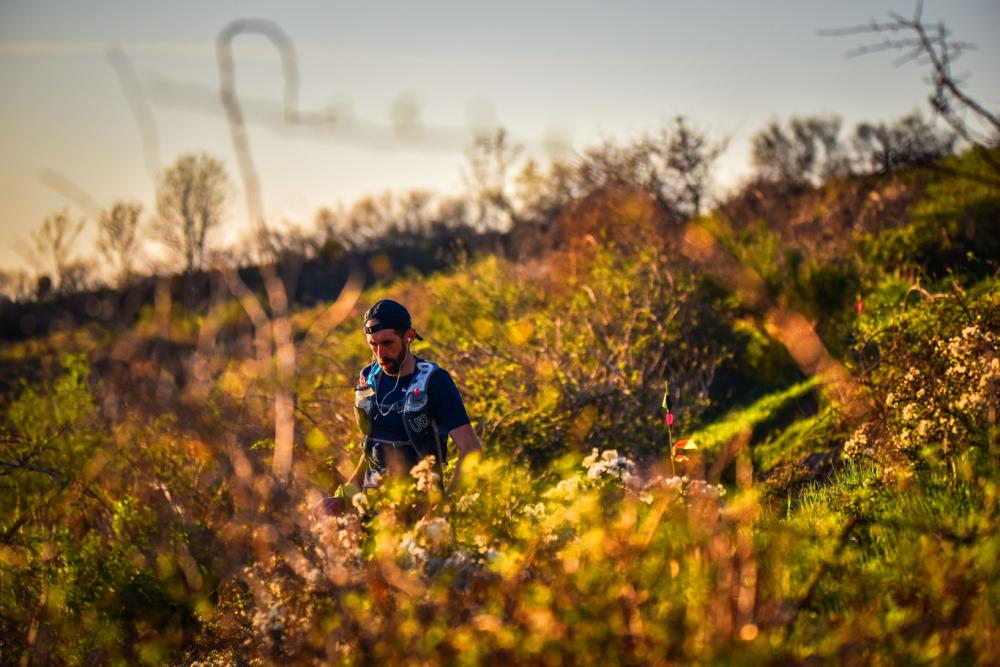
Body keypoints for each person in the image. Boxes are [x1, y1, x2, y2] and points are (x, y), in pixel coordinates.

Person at [345, 299, 483, 496]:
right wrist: (343, 496)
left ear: (409, 336)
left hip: (420, 510)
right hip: (374, 512)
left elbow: (472, 450)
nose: (380, 353)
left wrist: (443, 509)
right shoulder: (369, 377)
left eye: (387, 343)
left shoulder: (434, 380)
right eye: (373, 344)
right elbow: (373, 448)